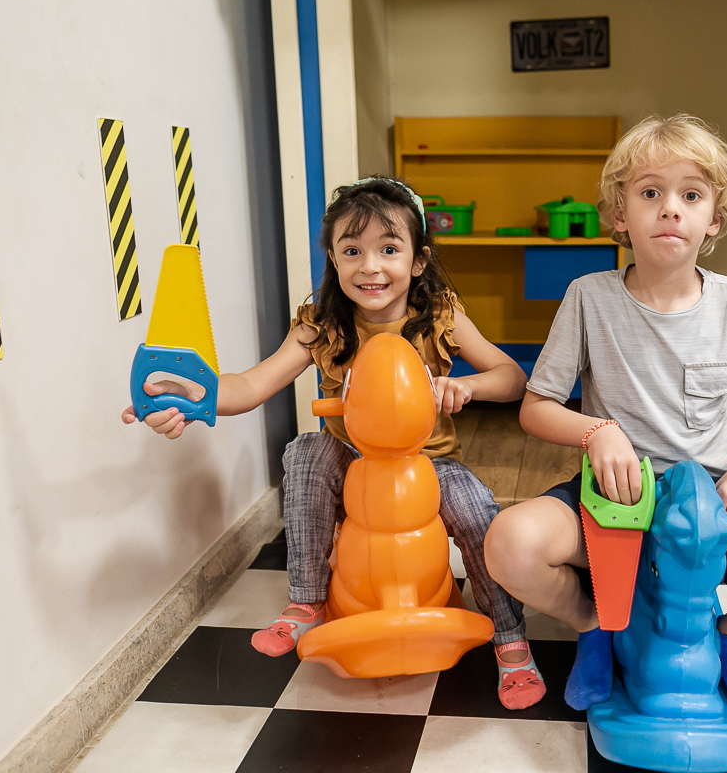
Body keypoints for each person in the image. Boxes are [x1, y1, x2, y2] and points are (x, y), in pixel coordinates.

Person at [483, 115, 727, 721]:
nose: (671, 209)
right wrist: (597, 430)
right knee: (509, 544)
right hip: (615, 500)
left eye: (691, 195)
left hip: (719, 503)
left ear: (713, 219)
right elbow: (536, 409)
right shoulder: (588, 296)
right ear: (620, 214)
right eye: (650, 193)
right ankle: (596, 623)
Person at [122, 177, 546, 710]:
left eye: (388, 250)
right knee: (305, 452)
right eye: (353, 251)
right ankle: (306, 603)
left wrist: (468, 384)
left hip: (427, 461)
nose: (370, 266)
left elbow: (510, 377)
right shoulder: (321, 325)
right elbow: (250, 386)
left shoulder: (441, 315)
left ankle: (509, 639)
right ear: (334, 259)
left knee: (476, 510)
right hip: (354, 460)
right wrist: (186, 399)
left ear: (418, 261)